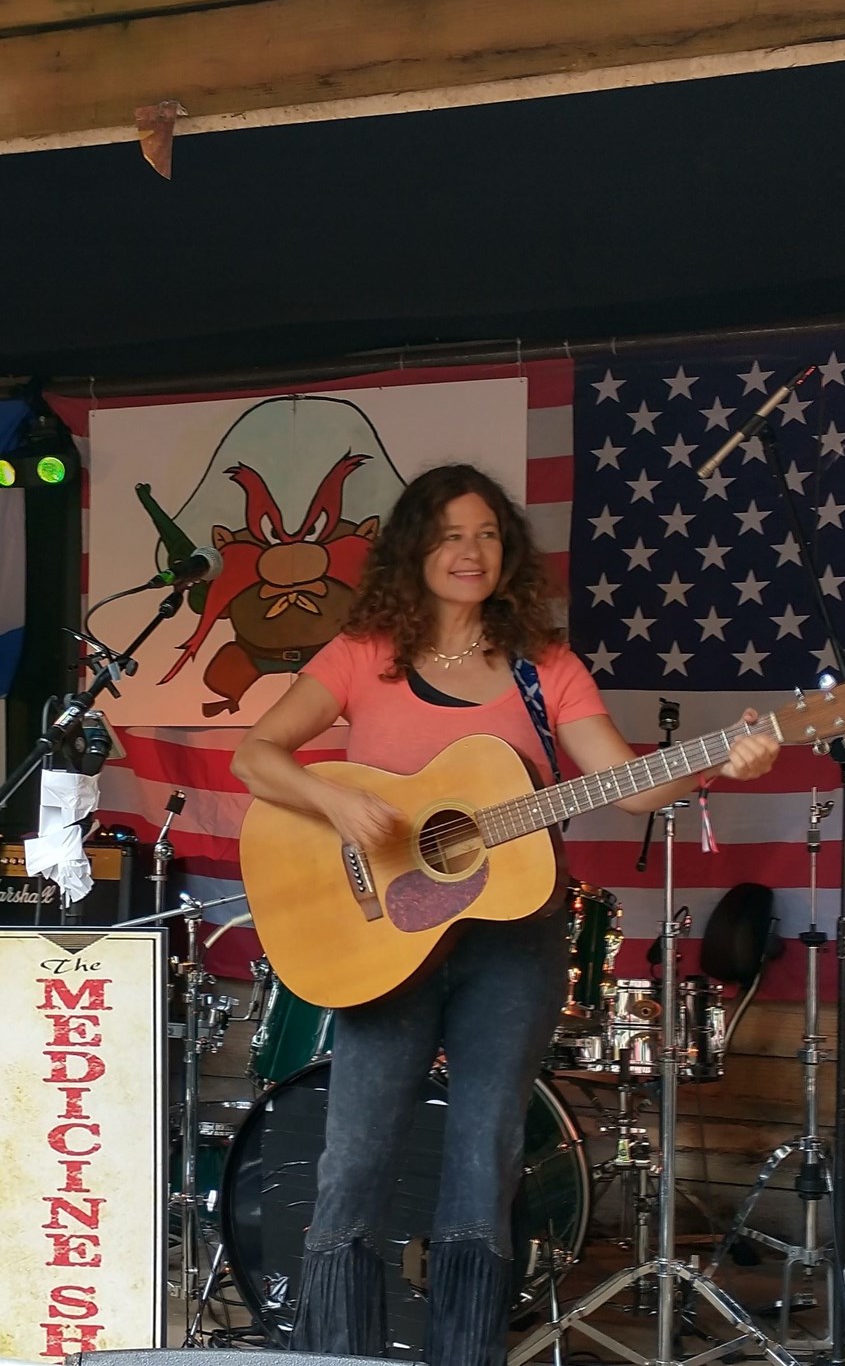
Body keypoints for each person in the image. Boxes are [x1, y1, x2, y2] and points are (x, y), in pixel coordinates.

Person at [231, 463, 780, 1365]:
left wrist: (721, 759)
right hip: (382, 938)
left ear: (508, 549)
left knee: (483, 1155)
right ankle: (333, 1355)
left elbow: (630, 786)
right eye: (450, 533)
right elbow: (260, 757)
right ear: (416, 547)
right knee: (356, 1154)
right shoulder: (364, 653)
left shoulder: (546, 665)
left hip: (513, 941)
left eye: (486, 533)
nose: (470, 550)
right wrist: (338, 806)